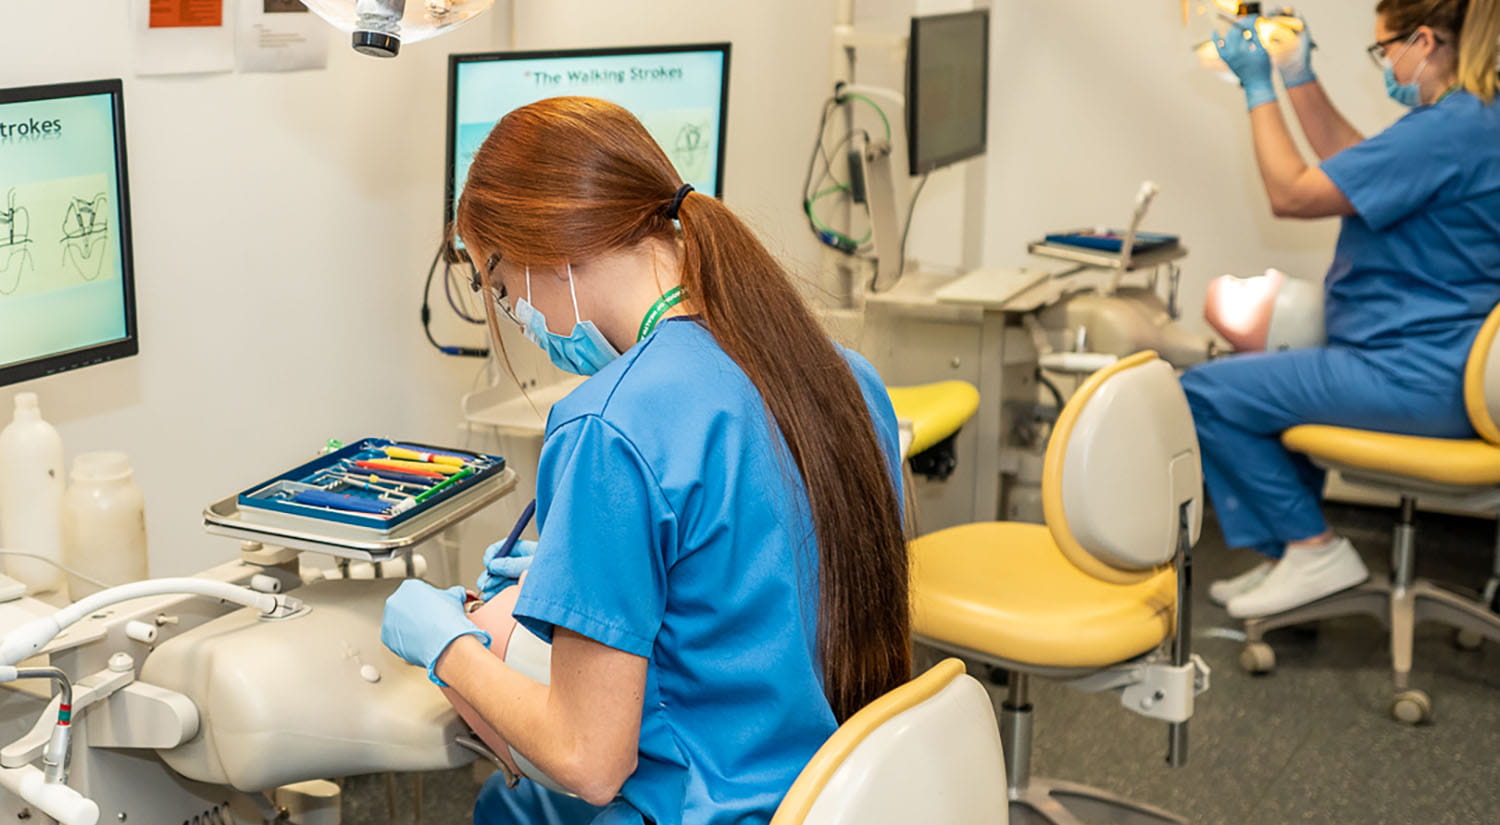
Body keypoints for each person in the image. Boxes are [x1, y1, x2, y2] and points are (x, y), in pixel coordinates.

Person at [378, 96, 910, 825]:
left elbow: (587, 759)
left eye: (499, 289)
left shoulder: (608, 426)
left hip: (710, 808)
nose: (521, 323)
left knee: (513, 803)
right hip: (847, 794)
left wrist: (444, 645)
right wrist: (580, 571)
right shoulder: (843, 374)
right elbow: (773, 578)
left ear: (547, 246)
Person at [1184, 0, 1500, 619]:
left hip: (1416, 373)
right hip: (1429, 362)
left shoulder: (1451, 129)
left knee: (1204, 391)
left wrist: (1258, 86)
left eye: (1386, 50)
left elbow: (1292, 193)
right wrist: (1299, 75)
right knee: (1271, 384)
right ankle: (1292, 560)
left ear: (1426, 41)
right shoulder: (1471, 120)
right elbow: (1359, 168)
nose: (1385, 64)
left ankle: (1313, 548)